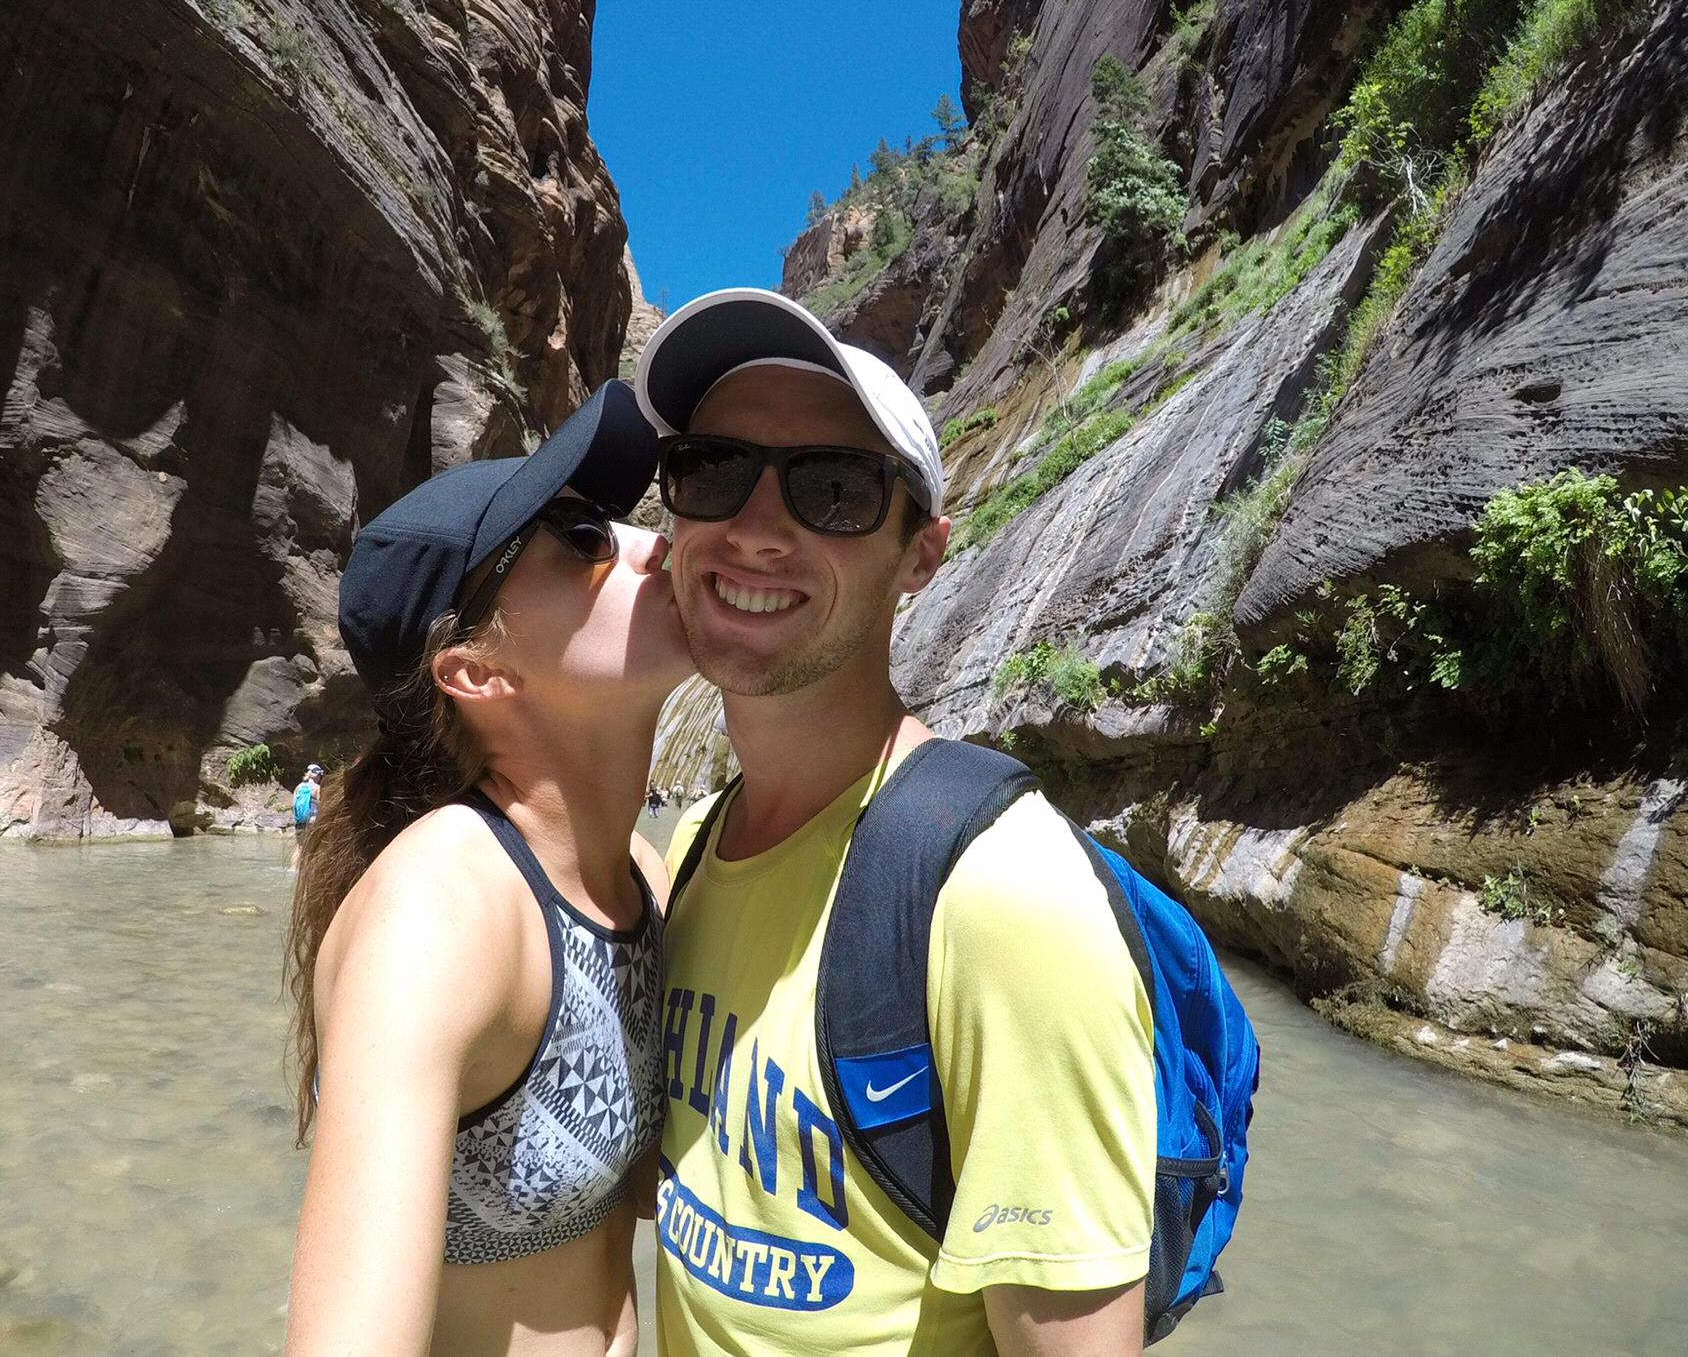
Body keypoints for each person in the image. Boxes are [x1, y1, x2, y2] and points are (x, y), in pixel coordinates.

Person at [633, 289, 1155, 1356]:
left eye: (831, 490)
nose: (754, 529)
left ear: (920, 555)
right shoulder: (686, 854)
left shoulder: (1001, 901)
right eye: (711, 469)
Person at [284, 380, 693, 1357]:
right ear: (476, 670)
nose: (649, 544)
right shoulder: (437, 916)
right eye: (582, 541)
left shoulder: (643, 872)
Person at [288, 763, 323, 870]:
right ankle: (306, 872)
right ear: (317, 775)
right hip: (312, 821)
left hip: (300, 821)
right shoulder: (317, 788)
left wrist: (298, 818)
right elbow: (321, 806)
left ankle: (292, 869)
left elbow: (293, 805)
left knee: (299, 847)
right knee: (312, 848)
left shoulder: (299, 787)